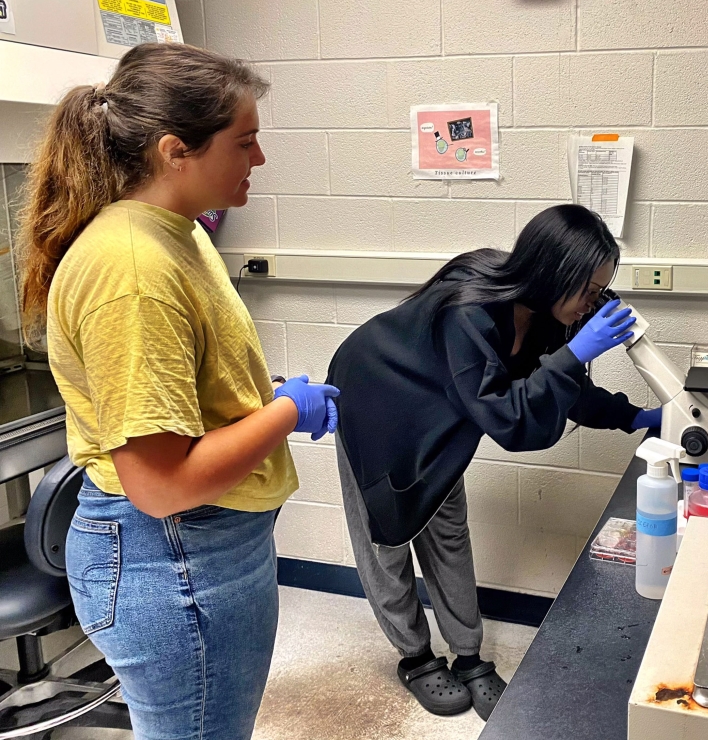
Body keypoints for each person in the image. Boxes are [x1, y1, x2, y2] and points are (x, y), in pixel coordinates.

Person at [17, 42, 339, 740]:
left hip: (203, 545)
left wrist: (267, 397)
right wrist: (284, 413)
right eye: (245, 142)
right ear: (174, 151)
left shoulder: (175, 234)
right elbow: (160, 484)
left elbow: (188, 394)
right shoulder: (133, 266)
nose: (259, 159)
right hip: (174, 553)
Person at [327, 204, 661, 720]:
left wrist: (637, 417)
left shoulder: (548, 319)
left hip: (439, 419)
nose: (593, 305)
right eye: (589, 292)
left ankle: (469, 658)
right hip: (375, 406)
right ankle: (415, 658)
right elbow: (508, 420)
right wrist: (572, 357)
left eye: (601, 292)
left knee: (449, 535)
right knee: (386, 543)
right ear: (554, 272)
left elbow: (563, 391)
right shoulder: (468, 311)